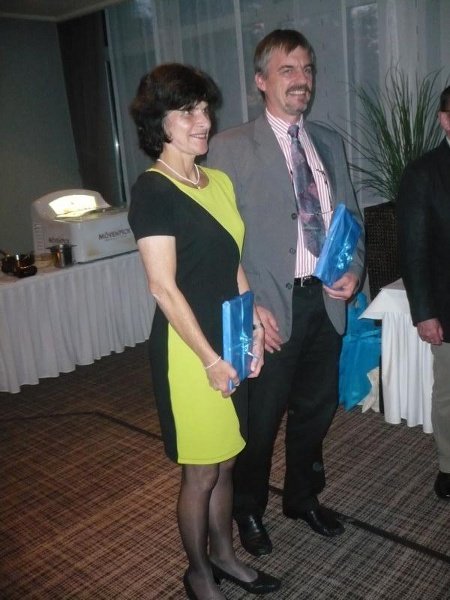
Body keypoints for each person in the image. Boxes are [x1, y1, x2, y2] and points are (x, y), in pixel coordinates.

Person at [208, 29, 365, 556]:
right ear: (261, 81)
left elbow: (351, 218)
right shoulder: (229, 148)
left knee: (316, 409)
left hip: (326, 300)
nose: (302, 80)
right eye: (288, 70)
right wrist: (248, 308)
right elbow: (217, 242)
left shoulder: (328, 141)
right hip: (269, 309)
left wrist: (354, 270)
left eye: (307, 69)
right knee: (260, 419)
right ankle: (247, 508)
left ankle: (302, 496)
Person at [127, 64, 281, 600]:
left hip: (228, 336)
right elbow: (163, 287)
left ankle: (224, 556)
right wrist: (211, 359)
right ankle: (197, 572)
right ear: (159, 123)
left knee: (227, 459)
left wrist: (251, 326)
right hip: (189, 351)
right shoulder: (153, 190)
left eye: (204, 108)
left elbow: (231, 263)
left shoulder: (219, 182)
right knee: (200, 472)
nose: (203, 120)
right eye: (186, 111)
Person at [397, 85, 450, 501]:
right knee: (449, 393)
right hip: (448, 305)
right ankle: (449, 465)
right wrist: (424, 312)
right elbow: (413, 250)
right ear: (444, 120)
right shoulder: (423, 173)